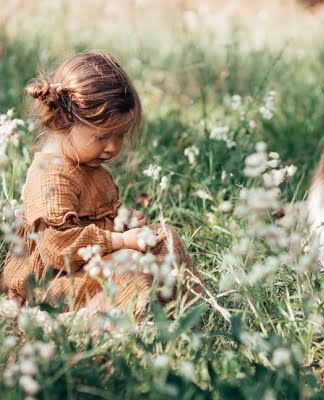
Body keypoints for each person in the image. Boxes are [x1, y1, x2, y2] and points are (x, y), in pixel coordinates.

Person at [2, 50, 202, 316]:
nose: (113, 147)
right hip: (53, 282)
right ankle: (130, 318)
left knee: (165, 239)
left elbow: (100, 213)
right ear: (64, 122)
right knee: (127, 264)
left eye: (121, 135)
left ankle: (187, 309)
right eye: (102, 136)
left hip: (89, 262)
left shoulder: (89, 164)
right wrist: (121, 240)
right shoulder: (50, 177)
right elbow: (57, 248)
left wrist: (127, 220)